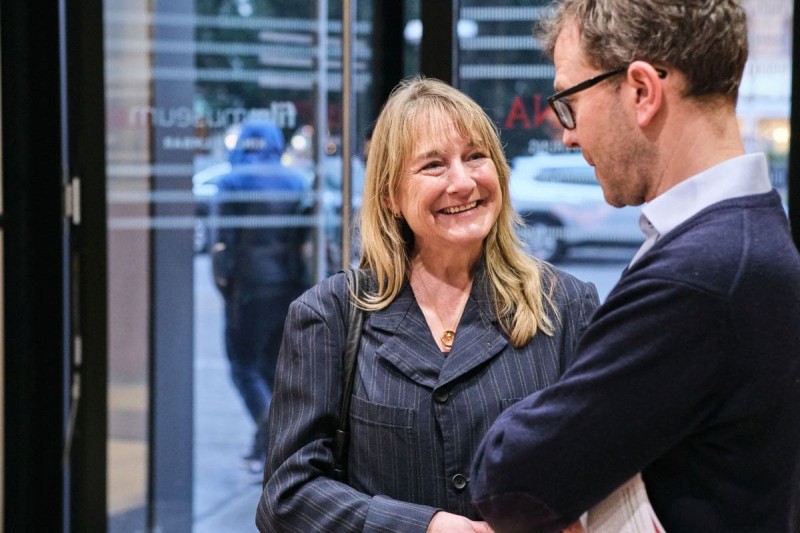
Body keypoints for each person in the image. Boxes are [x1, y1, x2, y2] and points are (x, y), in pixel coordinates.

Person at [470, 1, 800, 532]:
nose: (568, 135)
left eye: (570, 103)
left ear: (642, 91)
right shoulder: (746, 235)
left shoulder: (701, 275)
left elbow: (510, 480)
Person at [255, 77, 599, 532]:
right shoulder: (330, 314)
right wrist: (427, 527)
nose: (462, 182)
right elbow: (287, 496)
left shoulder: (566, 305)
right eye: (433, 165)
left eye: (476, 157)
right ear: (390, 197)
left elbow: (606, 461)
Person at [209, 120, 311, 473]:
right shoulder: (296, 180)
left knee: (243, 368)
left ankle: (271, 436)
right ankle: (266, 446)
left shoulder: (232, 181)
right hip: (289, 287)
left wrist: (224, 285)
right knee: (272, 368)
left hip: (248, 289)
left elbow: (221, 241)